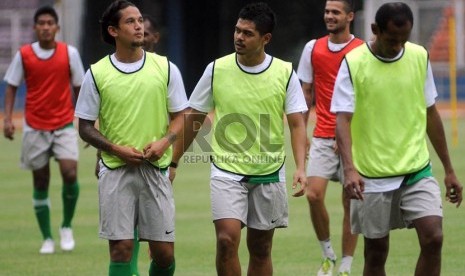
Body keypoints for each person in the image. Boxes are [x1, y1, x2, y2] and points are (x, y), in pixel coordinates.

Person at [172, 2, 308, 275]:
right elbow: (194, 119)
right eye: (237, 30)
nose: (238, 37)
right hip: (226, 170)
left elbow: (296, 124)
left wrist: (301, 167)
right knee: (226, 241)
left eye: (247, 33)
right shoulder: (216, 69)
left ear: (265, 38)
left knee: (260, 249)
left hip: (268, 172)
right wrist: (173, 163)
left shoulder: (284, 72)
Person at [331, 2, 463, 276]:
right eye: (392, 40)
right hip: (371, 176)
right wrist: (350, 169)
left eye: (404, 39)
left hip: (416, 170)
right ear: (375, 30)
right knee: (376, 253)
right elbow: (342, 120)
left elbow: (430, 114)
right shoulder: (354, 63)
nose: (398, 46)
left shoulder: (418, 56)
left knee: (434, 237)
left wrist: (449, 170)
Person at [75, 1, 188, 275]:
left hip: (155, 170)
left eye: (139, 20)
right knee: (121, 249)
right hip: (116, 170)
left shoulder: (166, 68)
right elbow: (85, 127)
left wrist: (165, 142)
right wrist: (115, 149)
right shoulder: (97, 73)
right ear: (113, 30)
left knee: (163, 254)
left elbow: (181, 115)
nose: (139, 26)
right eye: (130, 22)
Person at [2, 5, 84, 254]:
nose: (46, 27)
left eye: (50, 23)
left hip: (64, 124)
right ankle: (47, 237)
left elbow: (79, 86)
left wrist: (85, 119)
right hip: (34, 126)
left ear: (57, 28)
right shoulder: (24, 54)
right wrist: (7, 119)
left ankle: (66, 226)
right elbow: (12, 86)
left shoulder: (69, 53)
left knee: (70, 173)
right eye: (42, 23)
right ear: (35, 27)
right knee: (41, 180)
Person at [296, 1, 363, 275]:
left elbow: (366, 95)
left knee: (352, 201)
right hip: (322, 134)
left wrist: (349, 134)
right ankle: (328, 255)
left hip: (354, 138)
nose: (329, 16)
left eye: (336, 12)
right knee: (313, 195)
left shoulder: (362, 50)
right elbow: (306, 92)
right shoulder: (313, 48)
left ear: (350, 16)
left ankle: (346, 264)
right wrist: (301, 130)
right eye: (327, 11)